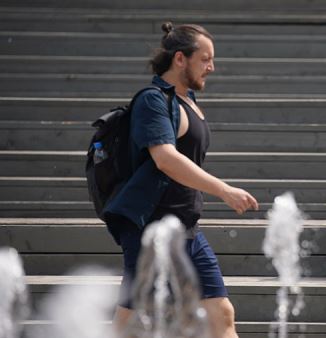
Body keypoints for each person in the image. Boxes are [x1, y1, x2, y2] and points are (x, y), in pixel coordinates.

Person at [104, 22, 258, 338]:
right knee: (132, 321)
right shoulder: (152, 100)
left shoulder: (187, 101)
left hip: (185, 227)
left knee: (221, 313)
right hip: (151, 230)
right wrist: (224, 189)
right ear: (179, 59)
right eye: (205, 58)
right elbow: (165, 158)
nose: (211, 67)